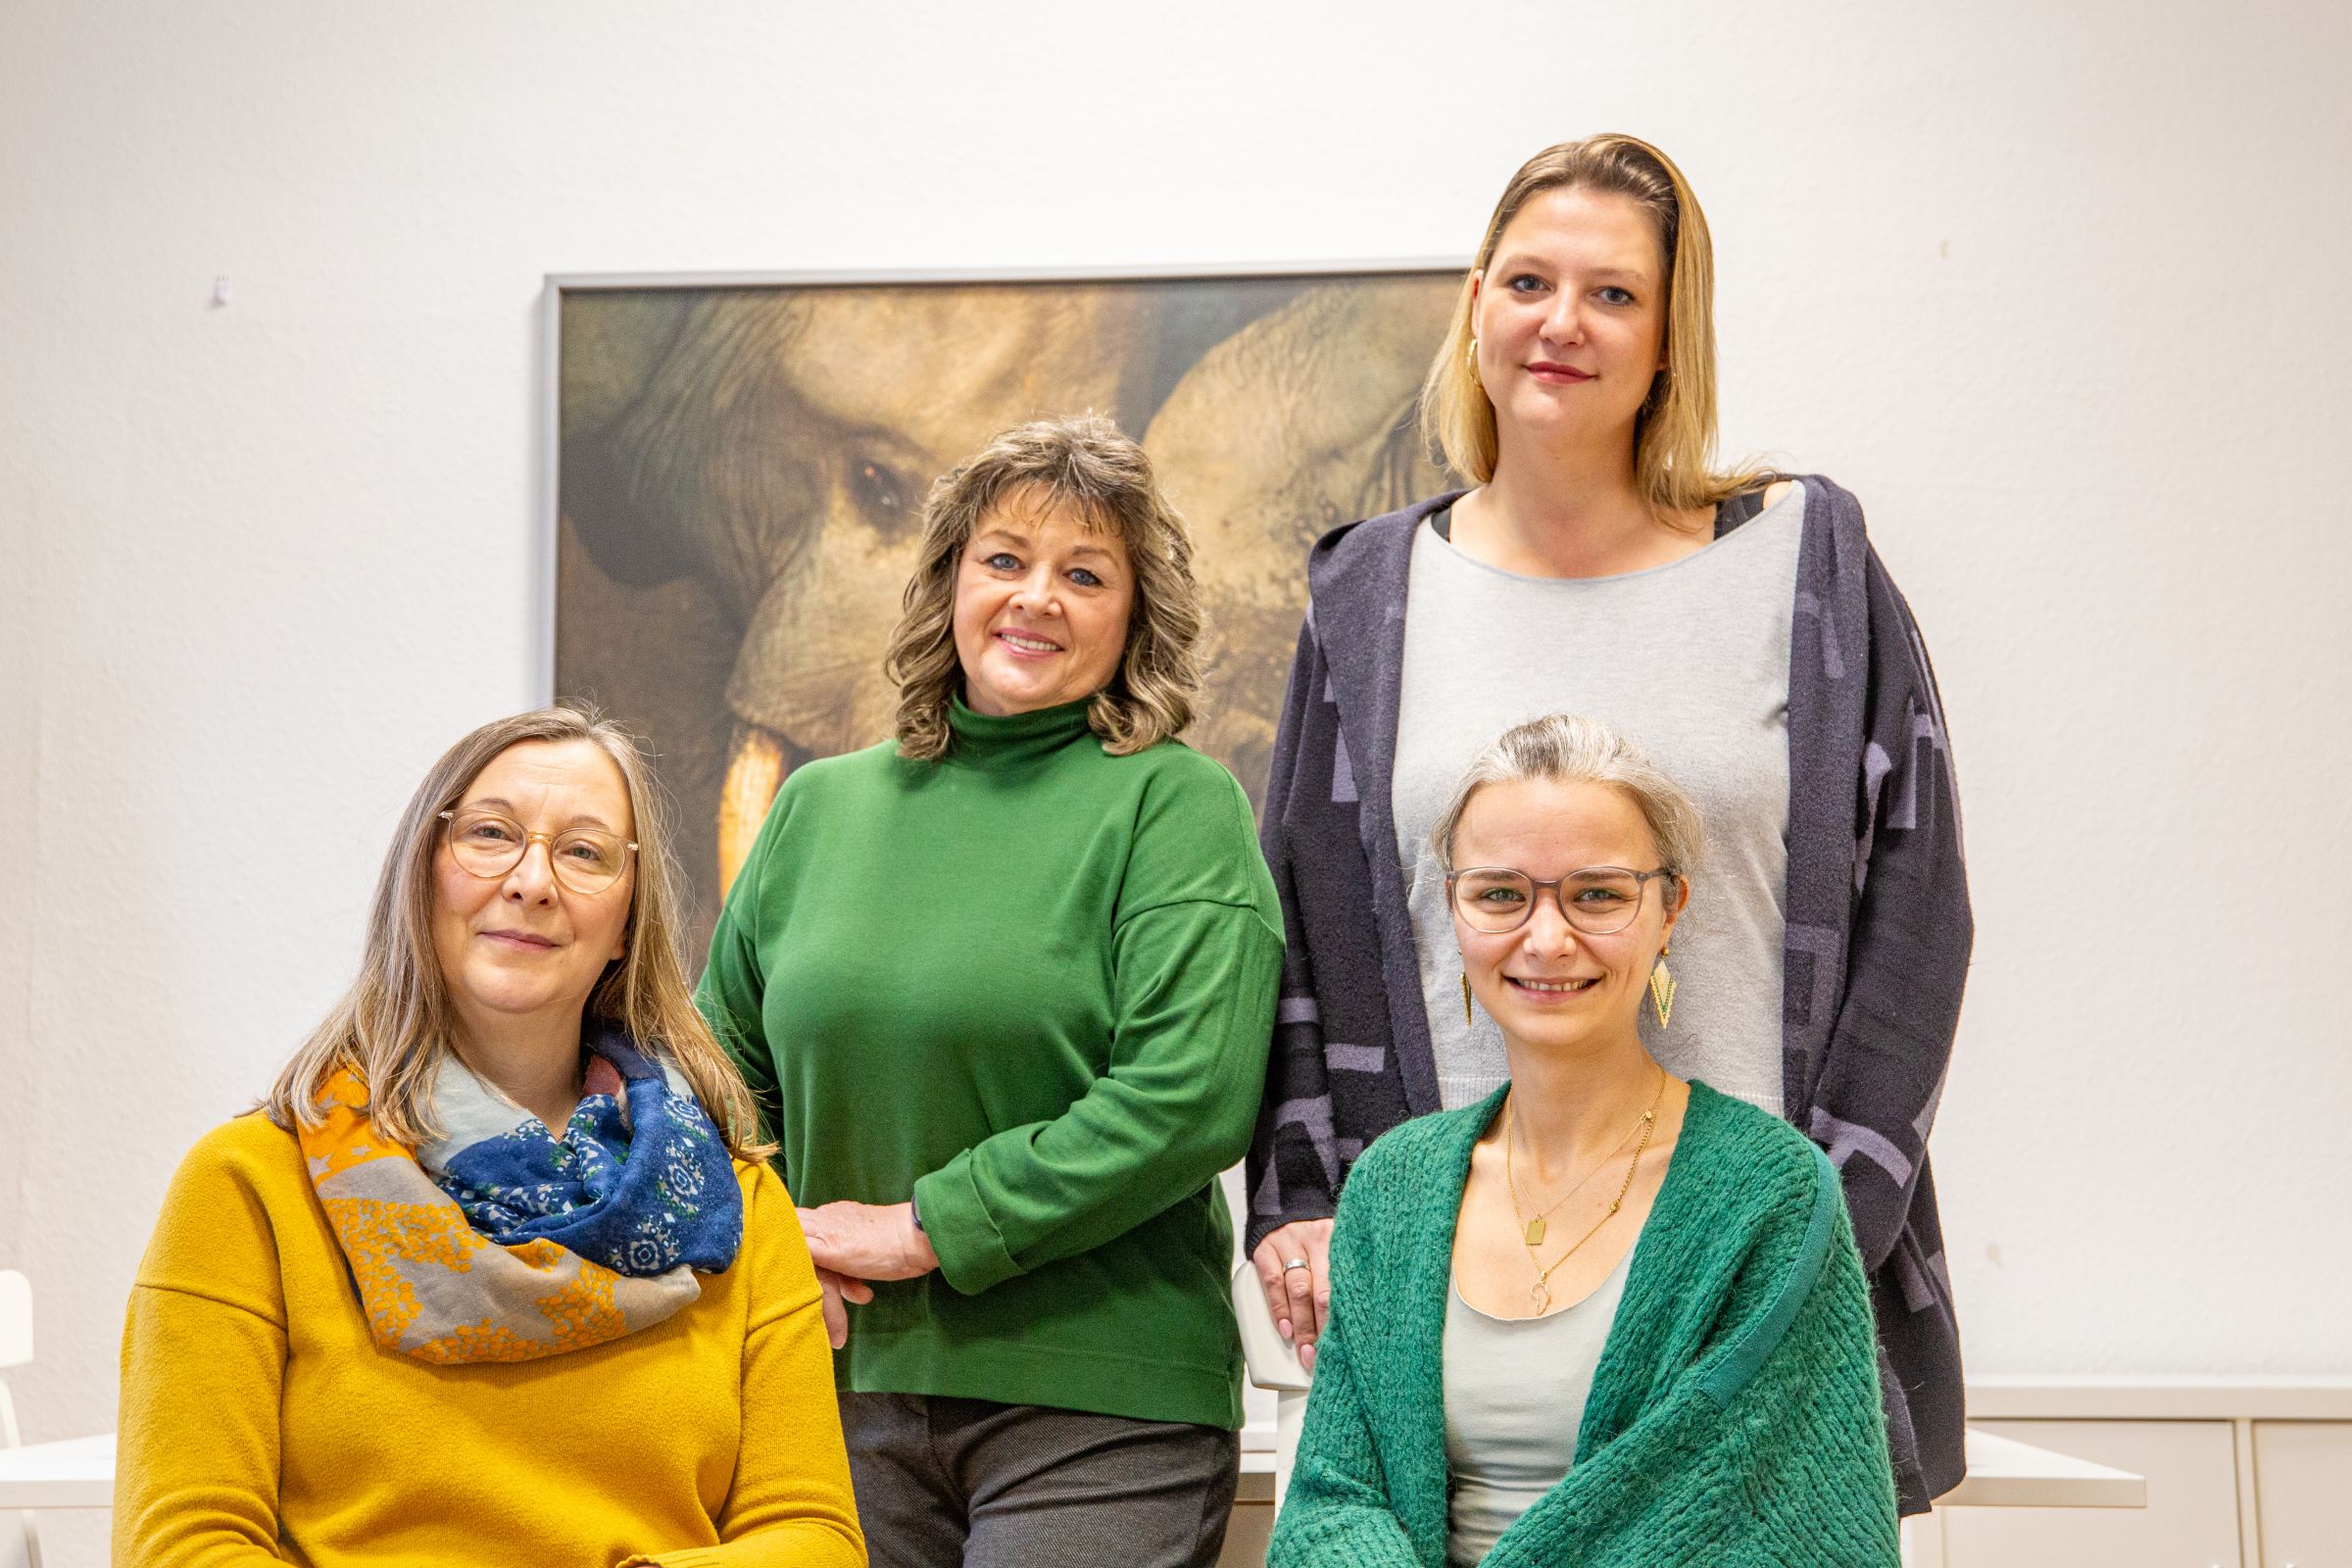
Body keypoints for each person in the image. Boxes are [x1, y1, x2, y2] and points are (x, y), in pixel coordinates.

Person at [1245, 132, 1972, 1511]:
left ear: (1667, 339)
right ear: (1476, 308)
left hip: (1746, 1297)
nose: (1562, 322)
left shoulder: (1806, 564)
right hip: (1449, 1312)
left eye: (1614, 294)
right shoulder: (1371, 597)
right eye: (1528, 280)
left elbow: (1918, 925)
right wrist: (1298, 1203)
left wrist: (1813, 1241)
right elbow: (1306, 927)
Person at [698, 415, 1283, 1568]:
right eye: (1004, 560)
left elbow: (1185, 1098)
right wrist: (779, 1243)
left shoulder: (1176, 808)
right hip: (832, 1388)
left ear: (1135, 617)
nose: (1036, 597)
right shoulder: (819, 809)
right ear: (949, 586)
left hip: (1101, 1406)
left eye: (1085, 573)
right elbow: (714, 1078)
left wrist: (925, 1227)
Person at [113, 707, 864, 1568]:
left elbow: (815, 1539)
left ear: (626, 922)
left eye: (583, 853)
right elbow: (185, 1546)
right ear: (422, 877)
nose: (532, 880)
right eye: (490, 834)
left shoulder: (732, 1204)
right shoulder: (249, 1183)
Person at [1269, 714, 1898, 1566]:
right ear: (1451, 910)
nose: (1548, 937)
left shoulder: (1772, 1195)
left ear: (1669, 907)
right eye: (1500, 893)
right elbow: (1336, 1496)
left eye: (1597, 893)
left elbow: (1782, 1529)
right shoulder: (1393, 1185)